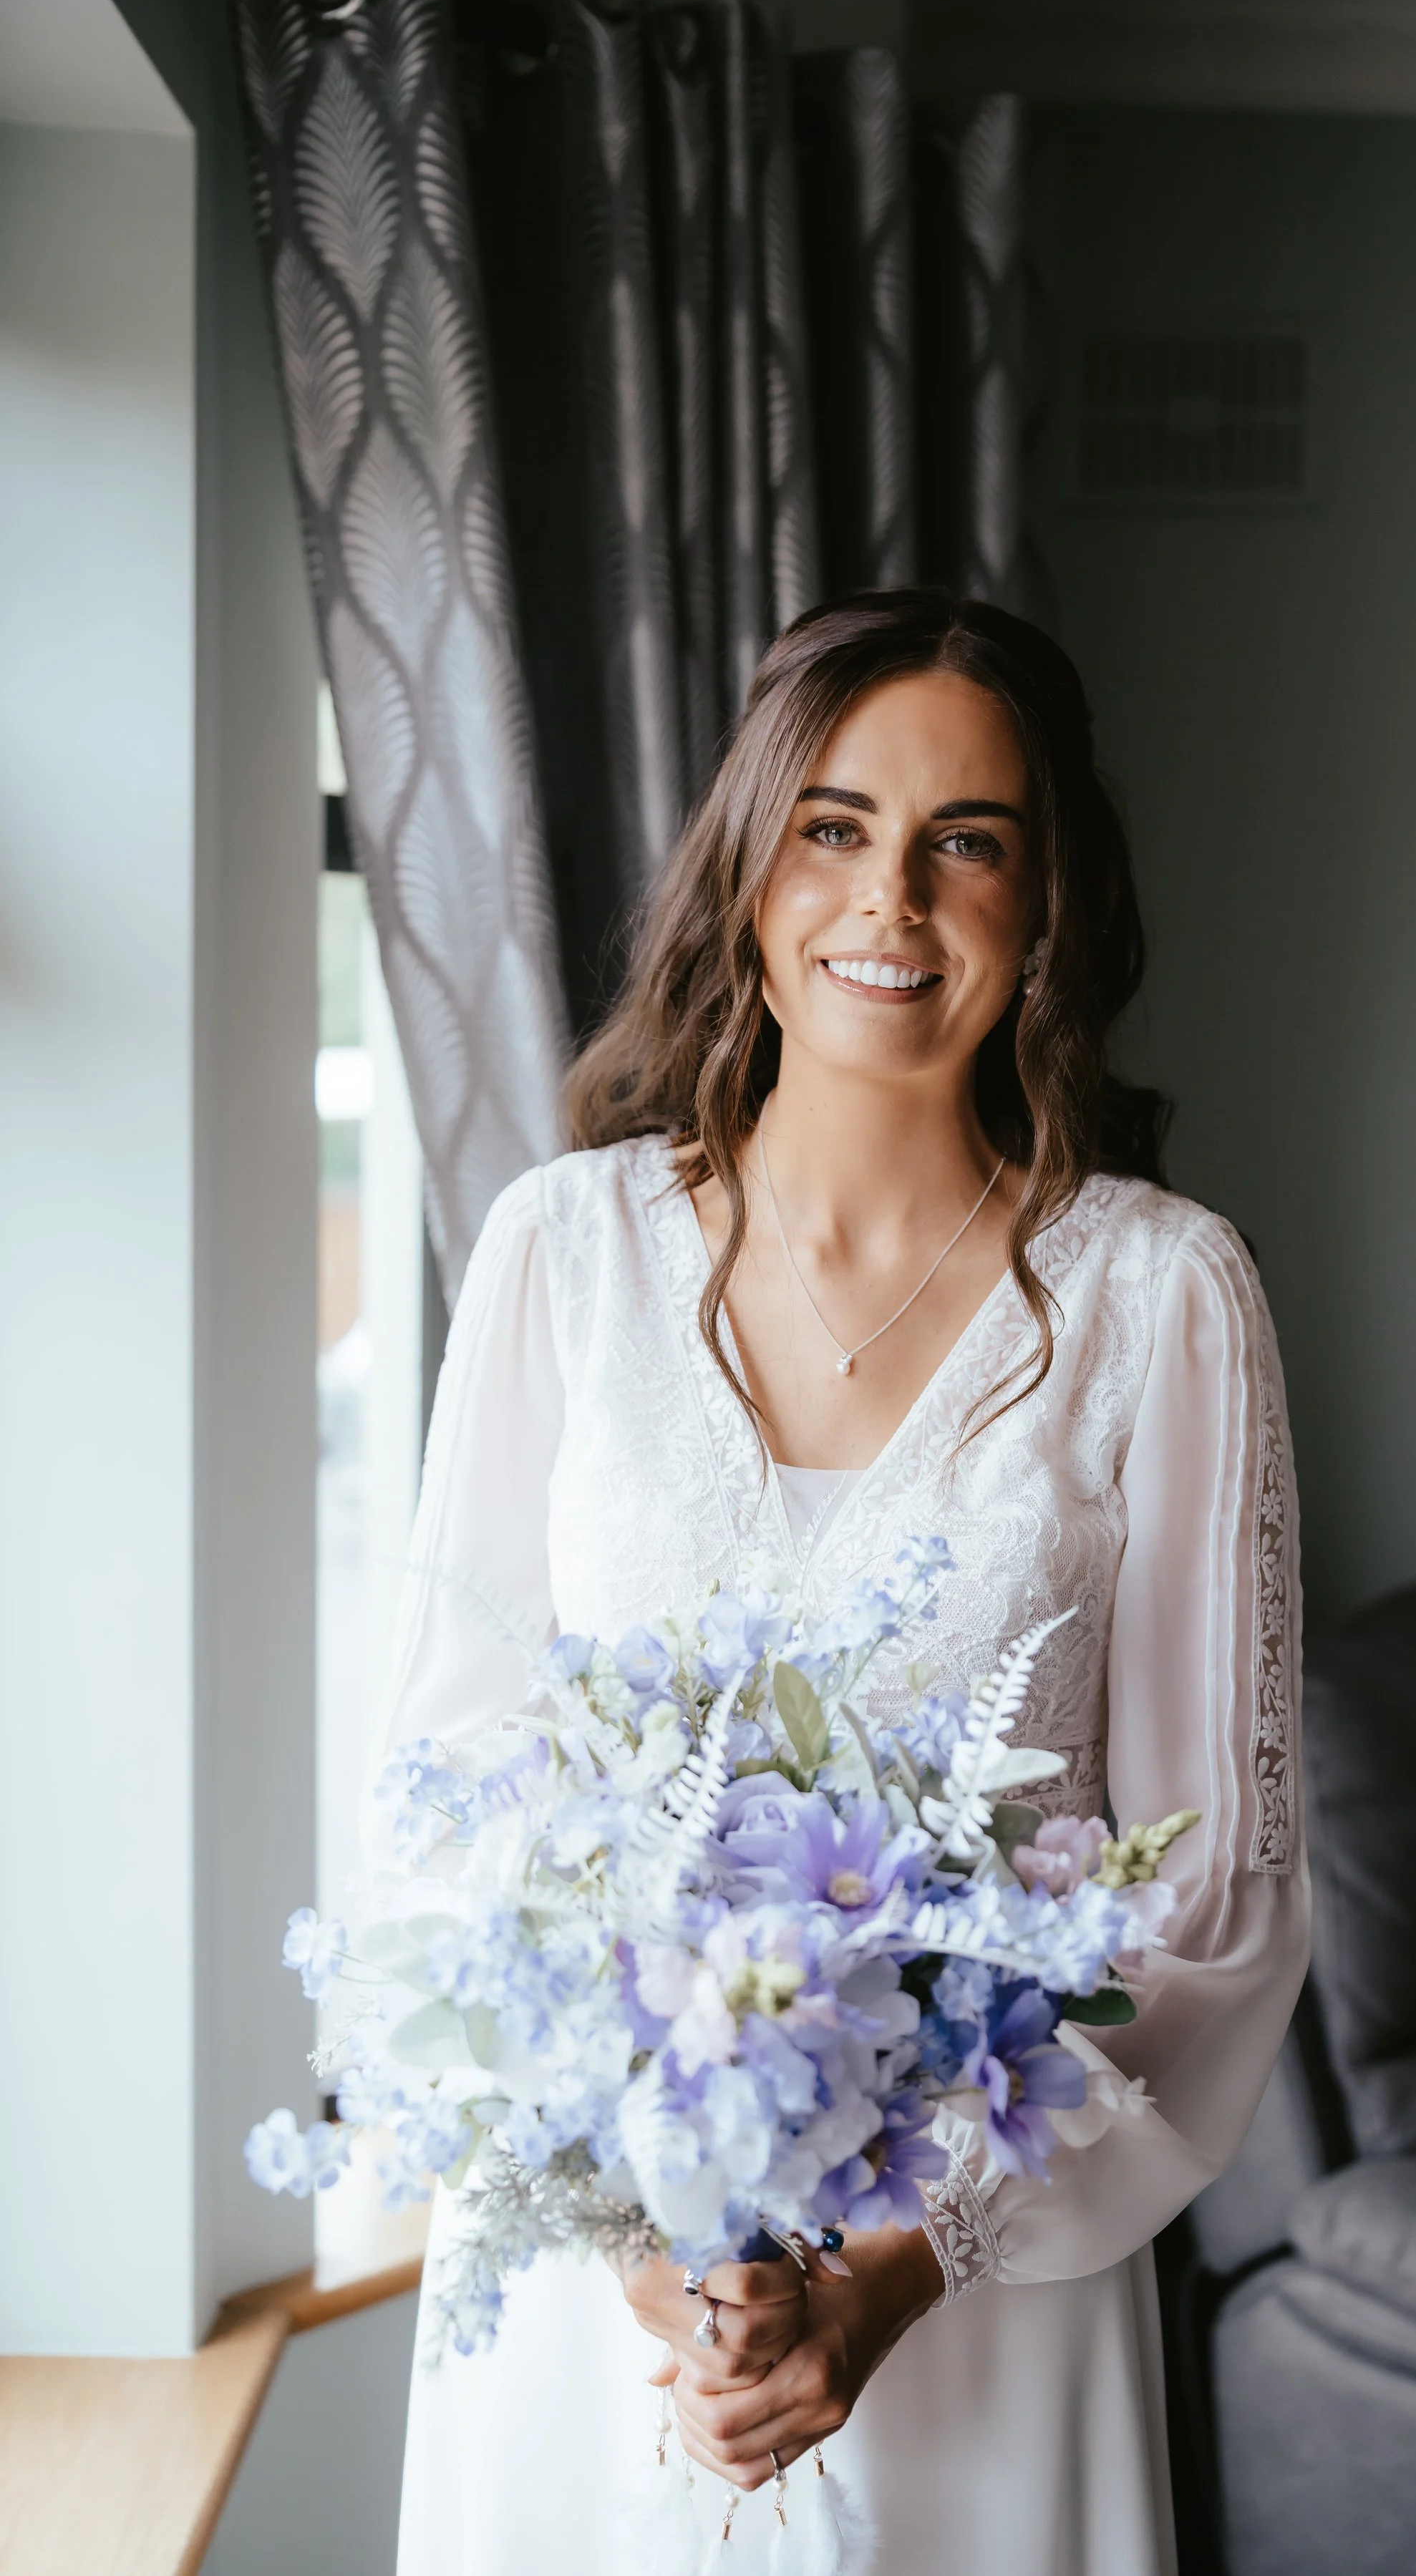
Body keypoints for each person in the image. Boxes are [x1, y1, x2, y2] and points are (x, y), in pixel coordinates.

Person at [377, 589, 1309, 2575]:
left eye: (965, 839)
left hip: (981, 2294)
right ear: (746, 864)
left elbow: (1206, 1896)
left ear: (1044, 904)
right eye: (832, 824)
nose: (891, 895)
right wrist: (661, 2270)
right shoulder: (564, 1252)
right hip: (592, 2296)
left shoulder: (1165, 1299)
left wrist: (888, 2274)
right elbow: (449, 1781)